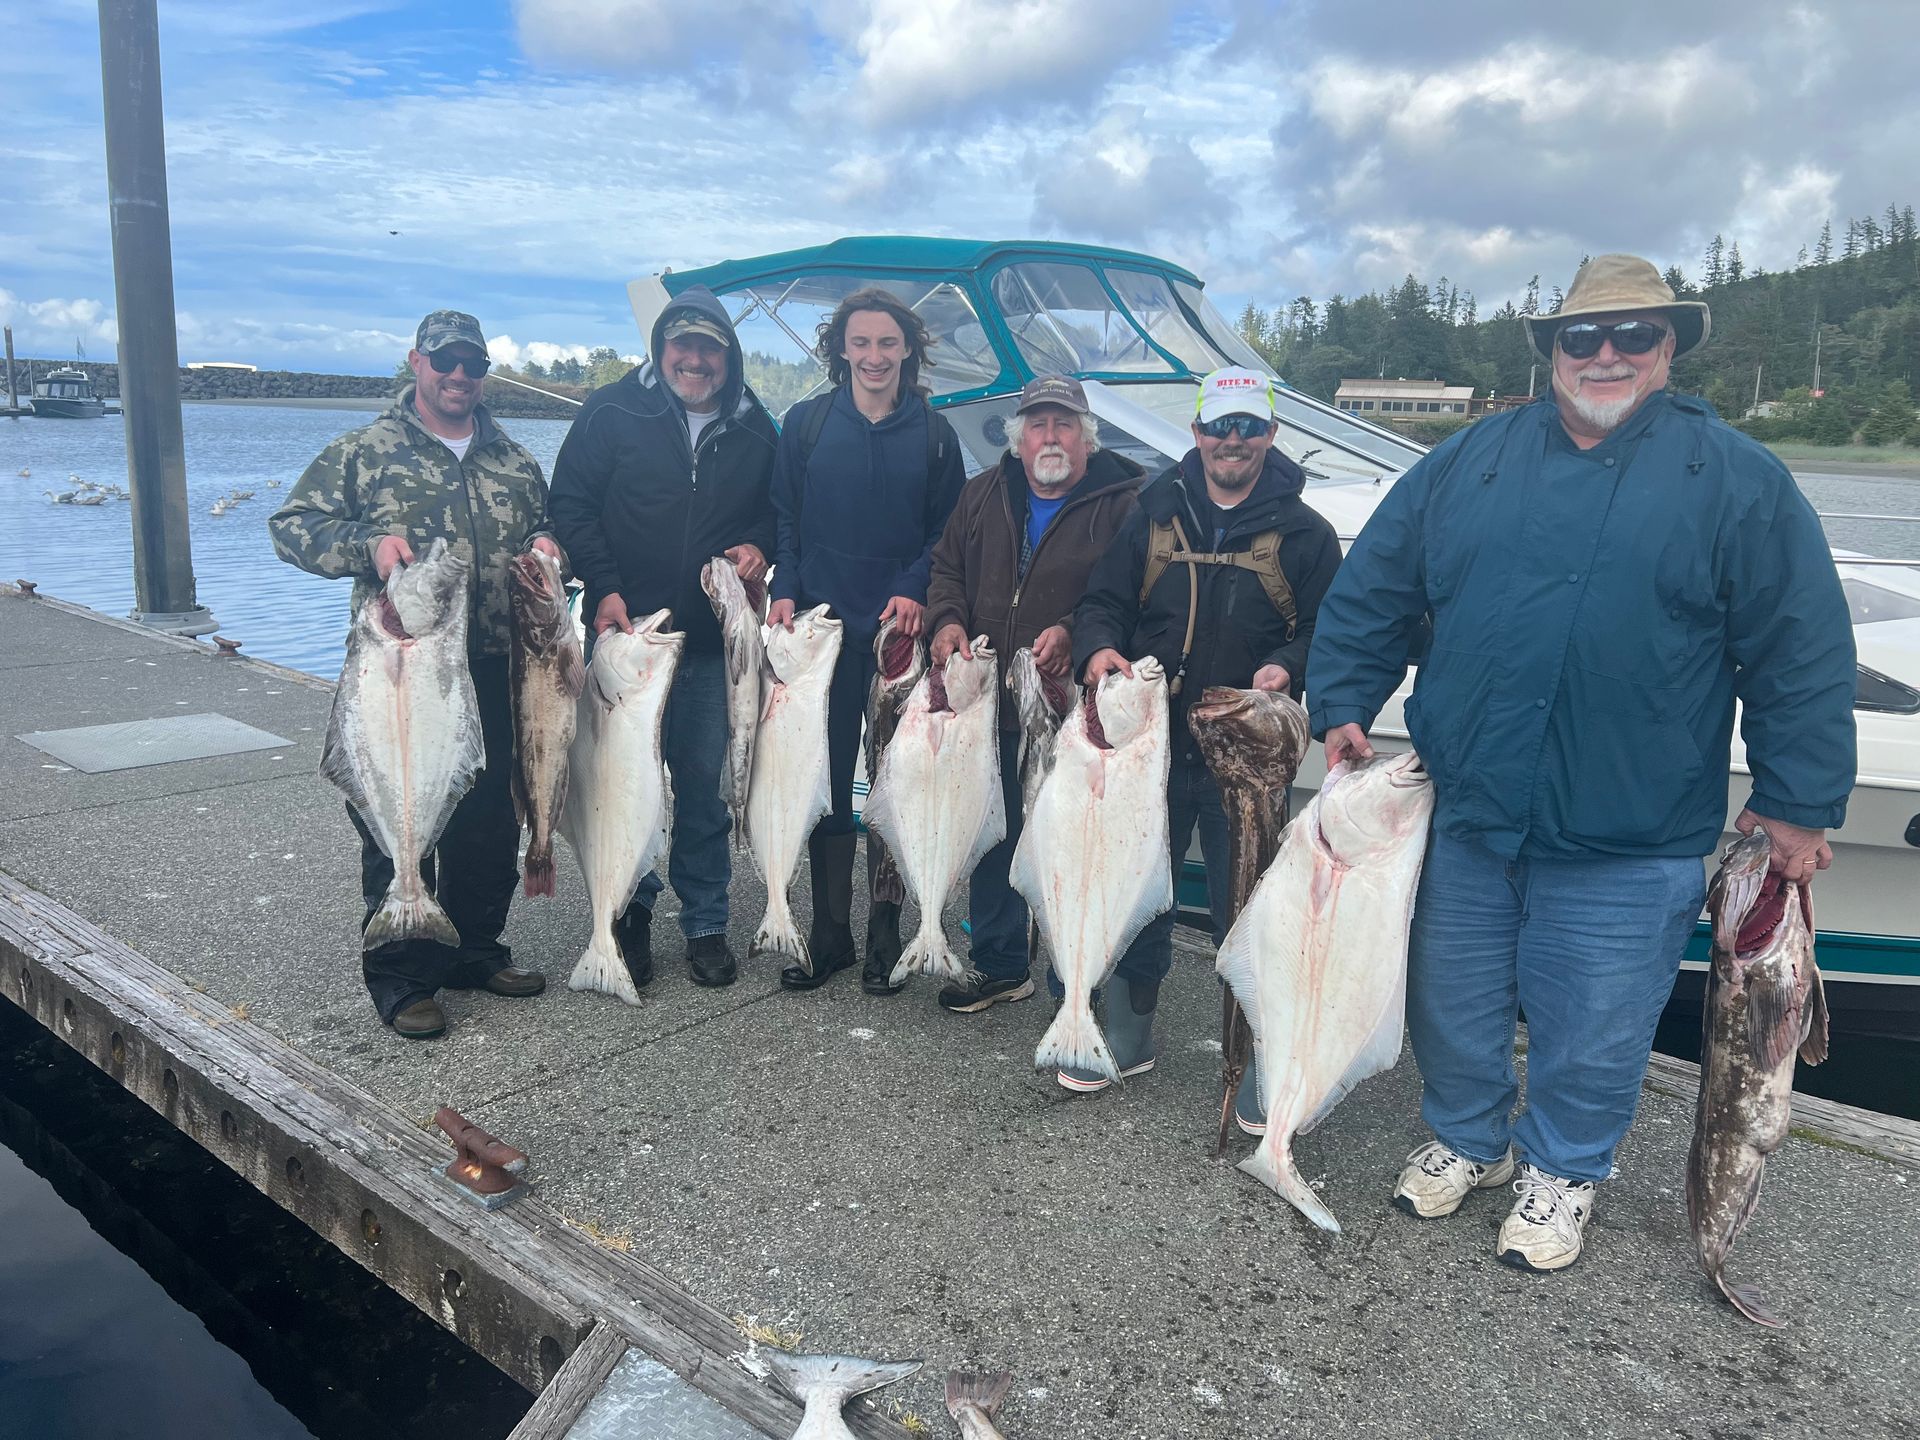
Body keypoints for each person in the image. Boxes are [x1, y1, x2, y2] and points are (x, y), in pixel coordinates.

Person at [1307, 254, 1857, 1272]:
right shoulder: (1468, 460)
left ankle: (1564, 1170)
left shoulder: (1738, 480)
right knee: (1451, 998)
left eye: (1633, 335)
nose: (1606, 354)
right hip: (1469, 807)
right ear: (1552, 350)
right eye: (1583, 336)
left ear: (1668, 348)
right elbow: (1374, 586)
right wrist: (1341, 698)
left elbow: (1801, 648)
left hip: (1631, 826)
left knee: (1596, 1022)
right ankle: (1468, 1137)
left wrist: (1798, 798)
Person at [270, 310, 558, 1040]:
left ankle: (475, 950)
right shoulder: (364, 451)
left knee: (490, 819)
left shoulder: (516, 461)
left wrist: (549, 546)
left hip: (494, 666)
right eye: (445, 361)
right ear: (416, 363)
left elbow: (544, 527)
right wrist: (366, 544)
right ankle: (403, 980)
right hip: (396, 674)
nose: (459, 375)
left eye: (473, 364)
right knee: (397, 816)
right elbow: (292, 527)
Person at [1069, 367, 1342, 1095]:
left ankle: (1257, 1058)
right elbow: (1103, 602)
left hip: (1246, 760)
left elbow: (1329, 630)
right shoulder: (1152, 514)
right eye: (1220, 425)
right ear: (1196, 432)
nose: (1233, 439)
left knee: (1251, 911)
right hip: (1149, 751)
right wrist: (1097, 647)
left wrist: (1289, 664)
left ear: (1270, 434)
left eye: (1248, 425)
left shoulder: (1308, 535)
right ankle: (1127, 1031)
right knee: (1137, 895)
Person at [548, 288, 777, 991]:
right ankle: (629, 913)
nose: (695, 360)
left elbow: (776, 514)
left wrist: (759, 547)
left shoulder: (755, 428)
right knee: (622, 784)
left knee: (704, 789)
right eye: (683, 345)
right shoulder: (611, 411)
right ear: (661, 348)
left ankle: (706, 921)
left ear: (728, 356)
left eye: (710, 347)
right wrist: (604, 585)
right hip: (626, 638)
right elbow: (571, 506)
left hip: (708, 644)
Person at [766, 287, 967, 993]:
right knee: (822, 781)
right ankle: (829, 937)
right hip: (820, 634)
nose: (874, 356)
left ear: (908, 348)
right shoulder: (807, 424)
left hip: (896, 635)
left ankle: (885, 936)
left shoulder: (935, 436)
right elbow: (784, 517)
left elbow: (948, 532)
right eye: (861, 342)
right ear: (841, 349)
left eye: (887, 342)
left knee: (894, 785)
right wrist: (785, 585)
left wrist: (916, 586)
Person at [926, 375, 1145, 1014]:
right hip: (985, 700)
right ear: (1018, 439)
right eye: (1038, 425)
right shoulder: (981, 494)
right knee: (994, 832)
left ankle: (1072, 980)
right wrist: (947, 621)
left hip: (1070, 713)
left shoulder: (1126, 506)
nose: (1050, 437)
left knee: (1071, 843)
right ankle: (999, 964)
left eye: (1064, 425)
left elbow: (1134, 594)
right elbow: (946, 569)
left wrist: (1076, 632)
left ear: (1087, 438)